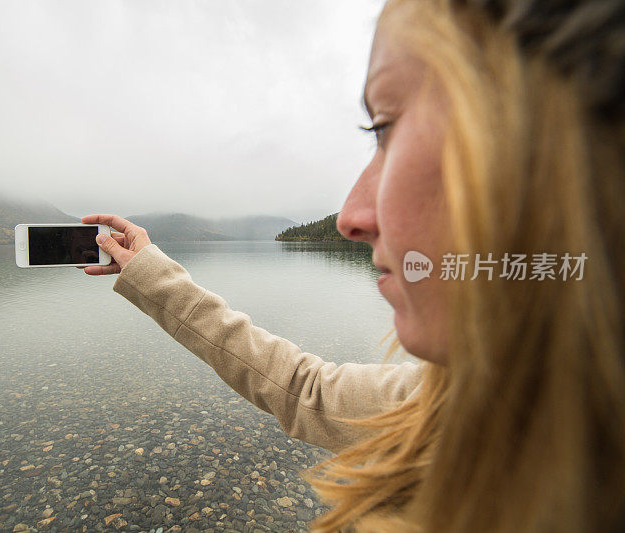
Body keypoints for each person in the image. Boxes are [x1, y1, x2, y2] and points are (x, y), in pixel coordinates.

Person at [79, 0, 625, 530]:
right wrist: (150, 272)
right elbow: (304, 389)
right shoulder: (449, 407)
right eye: (374, 135)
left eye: (384, 127)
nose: (350, 217)